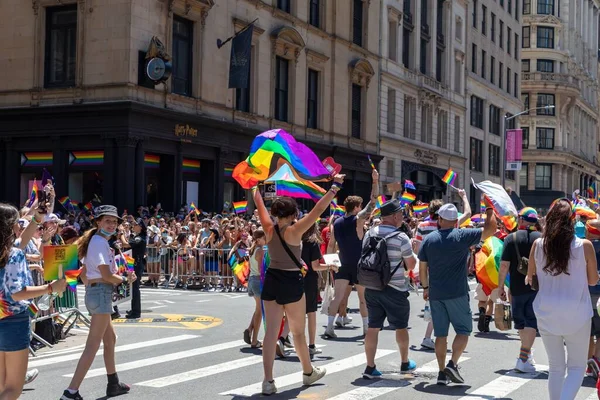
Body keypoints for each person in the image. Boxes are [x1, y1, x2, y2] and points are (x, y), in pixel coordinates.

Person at [253, 173, 345, 395]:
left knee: (271, 334)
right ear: (293, 214)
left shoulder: (267, 228)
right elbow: (318, 210)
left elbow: (258, 202)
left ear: (275, 213)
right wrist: (334, 188)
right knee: (298, 333)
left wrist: (255, 186)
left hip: (273, 279)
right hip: (292, 281)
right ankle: (307, 372)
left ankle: (268, 381)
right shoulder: (295, 230)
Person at [61, 205, 137, 400]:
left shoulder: (95, 241)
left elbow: (85, 275)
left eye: (114, 221)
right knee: (92, 345)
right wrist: (124, 278)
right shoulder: (99, 242)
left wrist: (97, 285)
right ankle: (71, 392)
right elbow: (105, 274)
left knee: (110, 339)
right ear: (98, 222)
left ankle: (113, 383)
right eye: (107, 221)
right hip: (101, 294)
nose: (112, 225)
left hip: (96, 294)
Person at [527, 198, 598, 400]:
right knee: (576, 366)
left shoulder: (538, 245)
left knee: (556, 367)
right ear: (572, 220)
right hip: (577, 312)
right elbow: (593, 281)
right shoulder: (584, 246)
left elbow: (530, 278)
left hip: (546, 311)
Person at [419, 204, 496, 385]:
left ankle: (440, 372)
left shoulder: (428, 240)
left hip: (436, 293)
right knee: (463, 331)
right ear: (456, 221)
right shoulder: (462, 236)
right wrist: (490, 209)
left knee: (440, 335)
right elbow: (491, 229)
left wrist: (425, 288)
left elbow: (422, 268)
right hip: (457, 293)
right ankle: (452, 364)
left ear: (439, 220)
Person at [0, 203, 67, 400]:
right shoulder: (13, 254)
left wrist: (38, 218)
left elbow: (22, 240)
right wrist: (50, 288)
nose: (20, 226)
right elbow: (18, 293)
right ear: (10, 226)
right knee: (13, 387)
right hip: (13, 321)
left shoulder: (10, 249)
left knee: (2, 384)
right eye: (17, 223)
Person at [361, 199, 418, 379]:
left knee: (373, 327)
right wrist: (413, 251)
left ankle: (370, 367)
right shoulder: (401, 237)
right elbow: (410, 265)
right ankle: (404, 362)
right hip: (395, 289)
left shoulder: (369, 233)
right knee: (401, 327)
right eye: (401, 214)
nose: (403, 217)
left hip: (371, 287)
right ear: (394, 216)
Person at [325, 169, 379, 338]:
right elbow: (374, 201)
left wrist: (330, 263)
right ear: (356, 208)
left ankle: (329, 327)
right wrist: (375, 181)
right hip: (359, 264)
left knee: (338, 297)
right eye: (360, 206)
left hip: (342, 263)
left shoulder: (336, 223)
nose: (361, 208)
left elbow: (331, 244)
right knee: (363, 298)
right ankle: (365, 329)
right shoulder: (359, 220)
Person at [498, 207, 541, 373]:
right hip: (536, 286)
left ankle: (524, 356)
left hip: (516, 288)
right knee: (531, 321)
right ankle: (525, 357)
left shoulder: (511, 238)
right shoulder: (542, 238)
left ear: (522, 220)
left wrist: (500, 286)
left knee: (522, 323)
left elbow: (504, 266)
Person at [122, 218, 146, 319]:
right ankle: (134, 309)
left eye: (135, 224)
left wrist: (122, 234)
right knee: (133, 288)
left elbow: (126, 244)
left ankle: (136, 312)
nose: (133, 225)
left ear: (140, 226)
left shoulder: (140, 238)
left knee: (135, 288)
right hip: (134, 263)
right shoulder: (136, 237)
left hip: (137, 264)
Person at [585, 219, 600, 379]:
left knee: (587, 333)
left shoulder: (583, 248)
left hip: (585, 297)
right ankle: (596, 360)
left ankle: (589, 364)